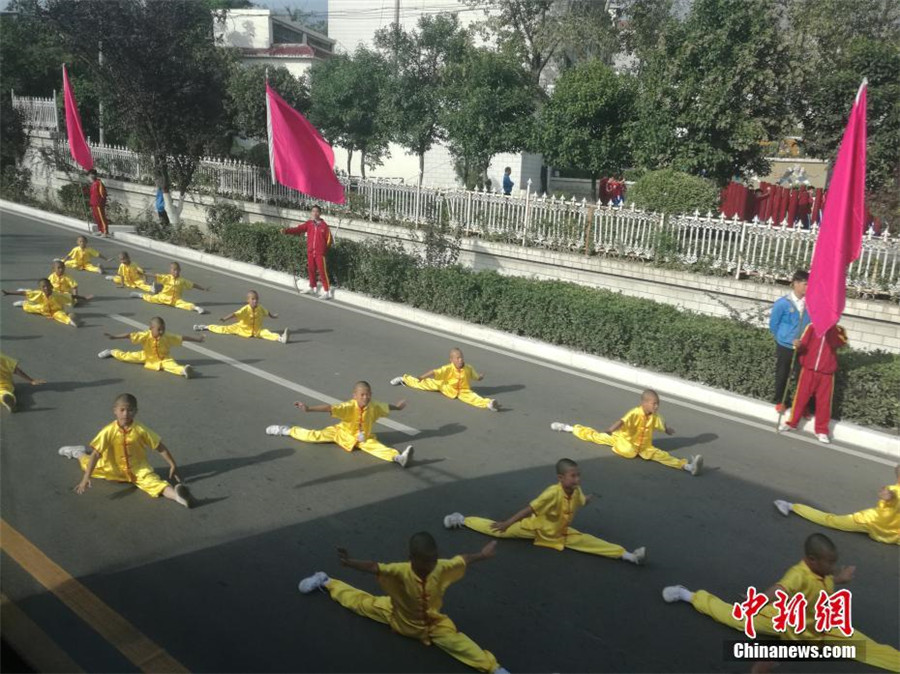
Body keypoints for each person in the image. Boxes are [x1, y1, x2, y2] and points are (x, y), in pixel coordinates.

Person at [661, 533, 900, 672]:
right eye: (829, 563)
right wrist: (757, 603)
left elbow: (825, 583)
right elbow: (778, 590)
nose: (832, 567)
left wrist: (840, 578)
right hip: (788, 624)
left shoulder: (824, 571)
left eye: (834, 562)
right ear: (811, 559)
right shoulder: (797, 575)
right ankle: (689, 595)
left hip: (821, 627)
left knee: (867, 647)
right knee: (738, 621)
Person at [296, 532, 508, 673]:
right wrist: (350, 563)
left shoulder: (439, 567)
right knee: (359, 603)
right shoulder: (400, 570)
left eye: (433, 560)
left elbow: (462, 559)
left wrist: (482, 554)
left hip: (431, 623)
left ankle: (493, 668)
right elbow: (373, 567)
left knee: (460, 644)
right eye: (424, 562)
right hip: (396, 613)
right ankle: (326, 581)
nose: (429, 566)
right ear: (411, 558)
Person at [444, 458, 646, 564]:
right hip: (536, 529)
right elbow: (529, 509)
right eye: (573, 476)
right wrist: (507, 523)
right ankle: (462, 520)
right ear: (560, 478)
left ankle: (628, 556)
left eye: (578, 475)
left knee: (591, 542)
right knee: (497, 530)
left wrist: (587, 500)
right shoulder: (551, 493)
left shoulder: (576, 491)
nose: (578, 480)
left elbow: (580, 501)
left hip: (561, 532)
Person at [58, 393, 192, 508]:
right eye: (122, 410)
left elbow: (159, 446)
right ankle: (77, 452)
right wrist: (85, 478)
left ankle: (179, 497)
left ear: (136, 411)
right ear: (114, 410)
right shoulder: (108, 431)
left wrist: (172, 464)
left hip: (138, 470)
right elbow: (96, 454)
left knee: (156, 484)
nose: (126, 414)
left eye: (130, 410)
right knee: (86, 464)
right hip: (111, 467)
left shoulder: (141, 430)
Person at [551, 389, 703, 475]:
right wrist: (610, 430)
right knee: (595, 436)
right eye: (654, 403)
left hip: (644, 447)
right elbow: (622, 421)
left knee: (662, 456)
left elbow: (661, 424)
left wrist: (667, 429)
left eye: (658, 404)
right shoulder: (634, 413)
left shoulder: (655, 416)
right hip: (623, 441)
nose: (656, 406)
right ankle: (569, 428)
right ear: (644, 403)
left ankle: (688, 467)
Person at [265, 381, 414, 468]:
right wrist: (309, 409)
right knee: (313, 436)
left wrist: (398, 407)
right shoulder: (348, 406)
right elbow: (329, 408)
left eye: (368, 394)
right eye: (362, 394)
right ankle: (285, 430)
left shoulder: (374, 405)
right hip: (340, 433)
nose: (365, 397)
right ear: (354, 395)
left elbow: (386, 406)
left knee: (376, 447)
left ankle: (398, 458)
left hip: (363, 437)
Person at [774, 465, 899, 545]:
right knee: (831, 521)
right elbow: (891, 495)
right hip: (870, 522)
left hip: (895, 532)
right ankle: (791, 506)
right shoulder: (892, 490)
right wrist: (888, 496)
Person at [779, 323, 847, 443]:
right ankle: (792, 423)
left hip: (826, 372)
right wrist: (798, 345)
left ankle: (822, 430)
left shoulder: (839, 330)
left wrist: (830, 330)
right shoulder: (811, 327)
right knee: (800, 397)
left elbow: (840, 343)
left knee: (824, 402)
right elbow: (803, 345)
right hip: (808, 370)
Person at [390, 347, 498, 411]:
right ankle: (404, 379)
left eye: (462, 357)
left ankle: (489, 404)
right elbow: (434, 372)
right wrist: (422, 377)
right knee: (426, 384)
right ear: (451, 360)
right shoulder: (448, 368)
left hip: (463, 391)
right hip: (446, 386)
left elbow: (475, 376)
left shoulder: (468, 368)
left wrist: (480, 377)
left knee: (473, 398)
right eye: (458, 358)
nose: (461, 360)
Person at [98, 316, 202, 379]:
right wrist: (114, 337)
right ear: (151, 328)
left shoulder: (167, 336)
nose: (161, 332)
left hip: (163, 358)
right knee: (126, 357)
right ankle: (111, 352)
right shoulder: (145, 335)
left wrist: (197, 339)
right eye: (159, 329)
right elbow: (129, 335)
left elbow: (182, 338)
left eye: (163, 329)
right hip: (145, 356)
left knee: (172, 366)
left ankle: (184, 370)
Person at [193, 290, 287, 344]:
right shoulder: (245, 309)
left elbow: (267, 313)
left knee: (266, 333)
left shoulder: (260, 307)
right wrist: (225, 319)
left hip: (256, 330)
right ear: (248, 300)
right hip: (241, 329)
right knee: (224, 329)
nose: (255, 301)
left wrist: (273, 316)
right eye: (253, 299)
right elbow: (235, 314)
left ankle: (281, 338)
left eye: (256, 299)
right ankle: (205, 327)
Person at [281, 205, 333, 299]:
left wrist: (323, 250)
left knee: (322, 272)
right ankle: (312, 288)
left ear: (320, 213)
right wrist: (286, 231)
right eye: (313, 211)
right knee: (311, 270)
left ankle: (327, 292)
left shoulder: (325, 226)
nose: (314, 213)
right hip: (310, 252)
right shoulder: (309, 224)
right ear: (311, 213)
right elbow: (298, 229)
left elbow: (329, 240)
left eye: (317, 211)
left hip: (320, 254)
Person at [131, 261, 209, 314]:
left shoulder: (182, 280)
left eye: (177, 270)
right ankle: (140, 295)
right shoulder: (166, 278)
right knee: (150, 298)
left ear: (180, 270)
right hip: (163, 297)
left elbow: (193, 285)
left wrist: (203, 289)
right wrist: (143, 274)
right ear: (170, 271)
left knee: (185, 305)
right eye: (174, 270)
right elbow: (155, 275)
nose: (176, 272)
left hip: (175, 300)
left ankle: (197, 308)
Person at [3, 279, 76, 327]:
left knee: (60, 315)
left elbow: (70, 296)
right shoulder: (40, 293)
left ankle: (70, 321)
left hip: (56, 311)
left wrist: (85, 298)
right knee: (27, 308)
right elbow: (24, 293)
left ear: (51, 286)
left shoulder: (57, 294)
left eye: (47, 286)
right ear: (41, 289)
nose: (46, 288)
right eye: (43, 287)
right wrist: (9, 293)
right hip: (42, 308)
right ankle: (24, 303)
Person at [88, 169, 110, 237]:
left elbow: (103, 194)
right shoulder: (93, 184)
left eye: (89, 176)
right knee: (97, 217)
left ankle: (105, 231)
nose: (89, 178)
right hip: (94, 203)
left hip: (99, 204)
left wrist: (101, 202)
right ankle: (100, 230)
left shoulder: (99, 183)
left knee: (101, 217)